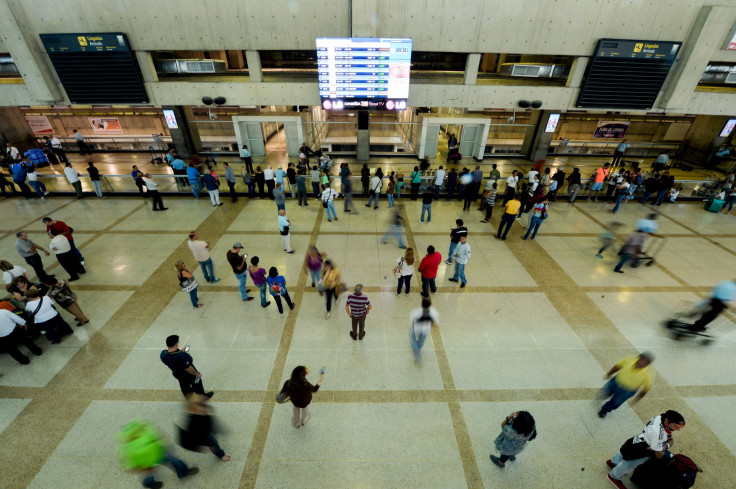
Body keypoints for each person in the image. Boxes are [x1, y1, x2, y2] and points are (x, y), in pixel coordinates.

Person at [606, 410, 685, 489]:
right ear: (667, 420)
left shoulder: (659, 418)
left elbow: (669, 438)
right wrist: (665, 446)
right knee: (629, 463)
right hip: (643, 450)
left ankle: (613, 462)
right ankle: (614, 476)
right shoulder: (658, 435)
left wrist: (664, 445)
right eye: (676, 426)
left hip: (638, 440)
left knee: (625, 451)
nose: (678, 430)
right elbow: (659, 455)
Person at [118, 418, 199, 489]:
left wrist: (162, 440)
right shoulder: (126, 449)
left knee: (175, 461)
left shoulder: (139, 429)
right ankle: (150, 484)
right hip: (146, 464)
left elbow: (152, 430)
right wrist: (142, 470)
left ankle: (184, 472)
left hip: (159, 452)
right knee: (148, 475)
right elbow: (128, 467)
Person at [598, 353, 654, 418]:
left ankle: (605, 409)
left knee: (616, 402)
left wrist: (636, 399)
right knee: (606, 390)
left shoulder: (649, 374)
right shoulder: (629, 359)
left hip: (627, 390)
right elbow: (618, 366)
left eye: (646, 363)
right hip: (616, 381)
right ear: (639, 358)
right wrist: (609, 373)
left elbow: (645, 390)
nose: (643, 363)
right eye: (642, 360)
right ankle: (607, 394)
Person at [409, 297, 438, 363]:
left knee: (412, 338)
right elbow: (436, 324)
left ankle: (416, 351)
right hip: (425, 329)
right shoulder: (434, 312)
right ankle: (418, 349)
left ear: (421, 304)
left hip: (416, 328)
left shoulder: (416, 311)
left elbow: (411, 321)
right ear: (430, 305)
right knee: (421, 340)